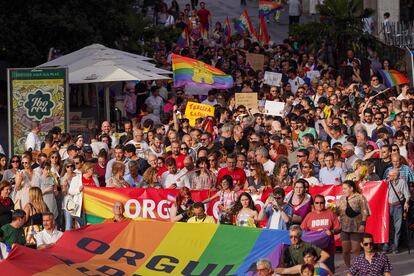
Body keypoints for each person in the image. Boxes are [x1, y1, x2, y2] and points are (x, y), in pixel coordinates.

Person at [301, 195, 341, 273]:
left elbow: (339, 228)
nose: (319, 205)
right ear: (314, 204)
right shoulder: (309, 215)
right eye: (317, 203)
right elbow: (302, 230)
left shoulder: (331, 214)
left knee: (328, 272)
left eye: (321, 203)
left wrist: (332, 232)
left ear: (324, 203)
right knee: (313, 272)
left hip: (328, 250)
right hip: (313, 252)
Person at [336, 180, 370, 267]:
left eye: (345, 188)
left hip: (356, 227)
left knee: (355, 250)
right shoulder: (341, 199)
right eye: (342, 189)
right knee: (345, 251)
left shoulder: (360, 197)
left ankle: (358, 267)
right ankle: (349, 268)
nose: (343, 190)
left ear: (351, 188)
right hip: (344, 228)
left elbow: (365, 212)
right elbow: (337, 212)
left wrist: (363, 224)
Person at [383, 168, 410, 253]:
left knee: (397, 228)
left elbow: (407, 195)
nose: (388, 176)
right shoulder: (387, 182)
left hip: (398, 206)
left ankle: (395, 247)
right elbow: (378, 185)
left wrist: (406, 203)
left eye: (390, 175)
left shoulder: (402, 182)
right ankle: (386, 246)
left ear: (395, 176)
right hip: (388, 206)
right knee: (387, 227)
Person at [66, 162, 98, 230]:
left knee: (91, 226)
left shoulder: (94, 178)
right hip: (81, 207)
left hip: (93, 207)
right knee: (82, 226)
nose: (93, 171)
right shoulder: (77, 179)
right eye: (92, 169)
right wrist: (79, 189)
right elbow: (70, 191)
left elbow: (98, 190)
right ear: (87, 170)